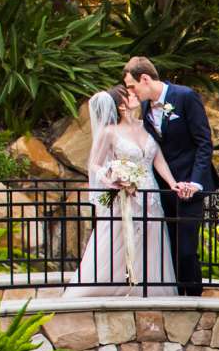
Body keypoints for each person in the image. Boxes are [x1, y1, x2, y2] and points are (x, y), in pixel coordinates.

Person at [64, 90, 175, 295]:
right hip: (125, 195)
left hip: (150, 194)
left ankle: (148, 290)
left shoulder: (147, 127)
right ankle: (106, 288)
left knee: (151, 239)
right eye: (131, 96)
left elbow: (158, 159)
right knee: (118, 239)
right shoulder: (110, 132)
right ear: (122, 106)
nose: (137, 97)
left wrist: (173, 183)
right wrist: (112, 178)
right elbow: (95, 164)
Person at [125, 56, 218, 297]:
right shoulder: (145, 107)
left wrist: (194, 182)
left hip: (190, 184)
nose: (131, 92)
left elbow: (204, 143)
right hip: (162, 186)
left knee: (187, 249)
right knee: (170, 247)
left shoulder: (185, 96)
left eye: (132, 86)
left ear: (145, 79)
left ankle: (195, 301)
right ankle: (176, 299)